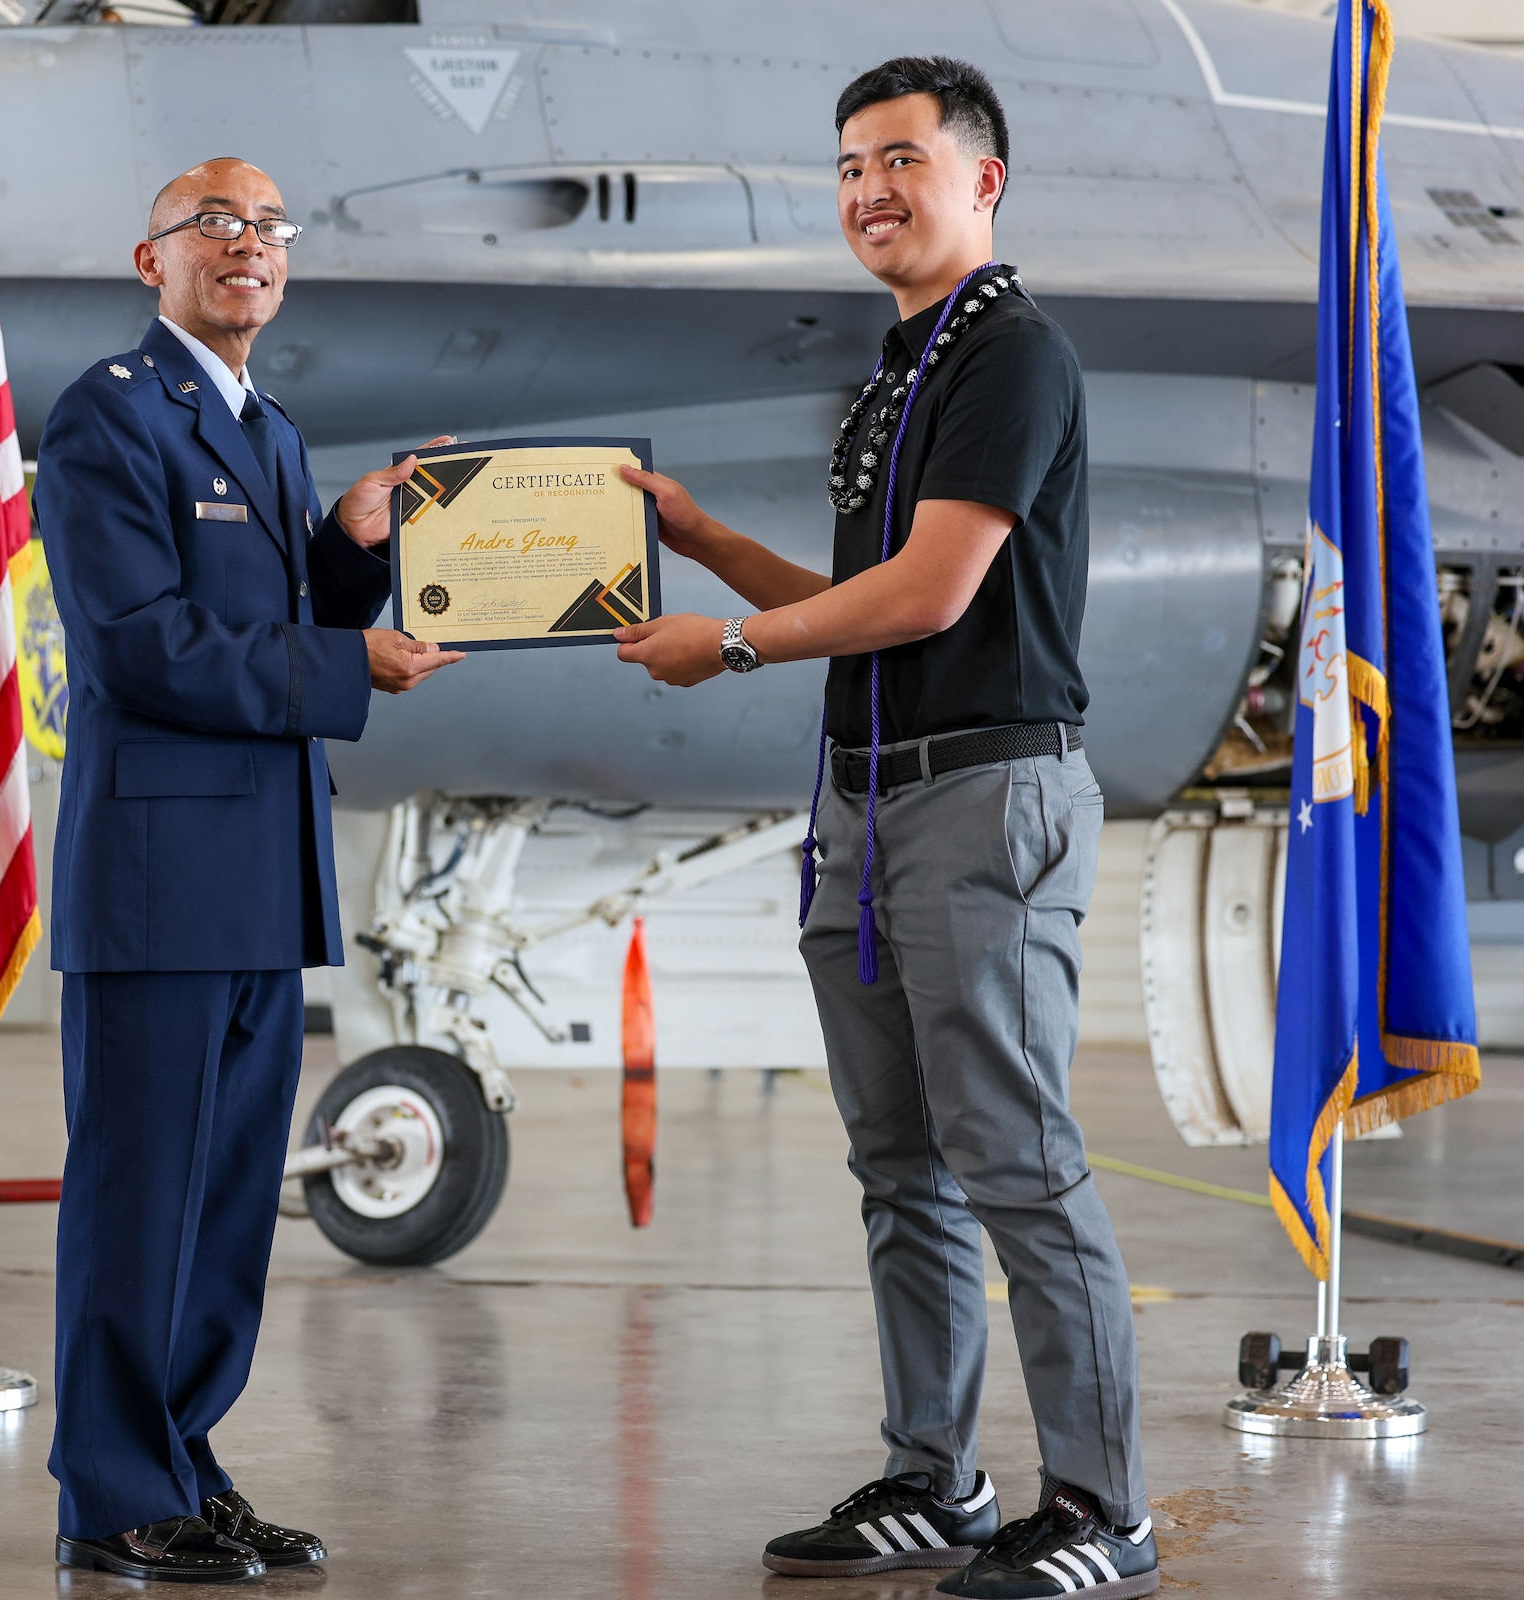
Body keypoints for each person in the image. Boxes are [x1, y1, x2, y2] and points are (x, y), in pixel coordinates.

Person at [613, 58, 1157, 1600]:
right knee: (902, 1164)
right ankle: (937, 1478)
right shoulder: (904, 367)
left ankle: (1104, 1510)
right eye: (851, 165)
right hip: (869, 799)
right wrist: (709, 543)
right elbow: (863, 605)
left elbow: (930, 597)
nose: (869, 191)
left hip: (982, 799)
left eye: (902, 160)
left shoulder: (1012, 355)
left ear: (985, 180)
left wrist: (725, 644)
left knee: (1016, 1161)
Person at [33, 157, 463, 1586]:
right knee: (140, 1199)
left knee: (223, 1207)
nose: (247, 246)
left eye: (269, 228)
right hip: (159, 880)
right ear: (149, 259)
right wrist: (349, 664)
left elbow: (266, 613)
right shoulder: (110, 413)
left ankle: (186, 1465)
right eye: (212, 225)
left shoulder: (265, 428)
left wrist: (348, 550)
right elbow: (139, 645)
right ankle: (111, 1495)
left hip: (263, 874)